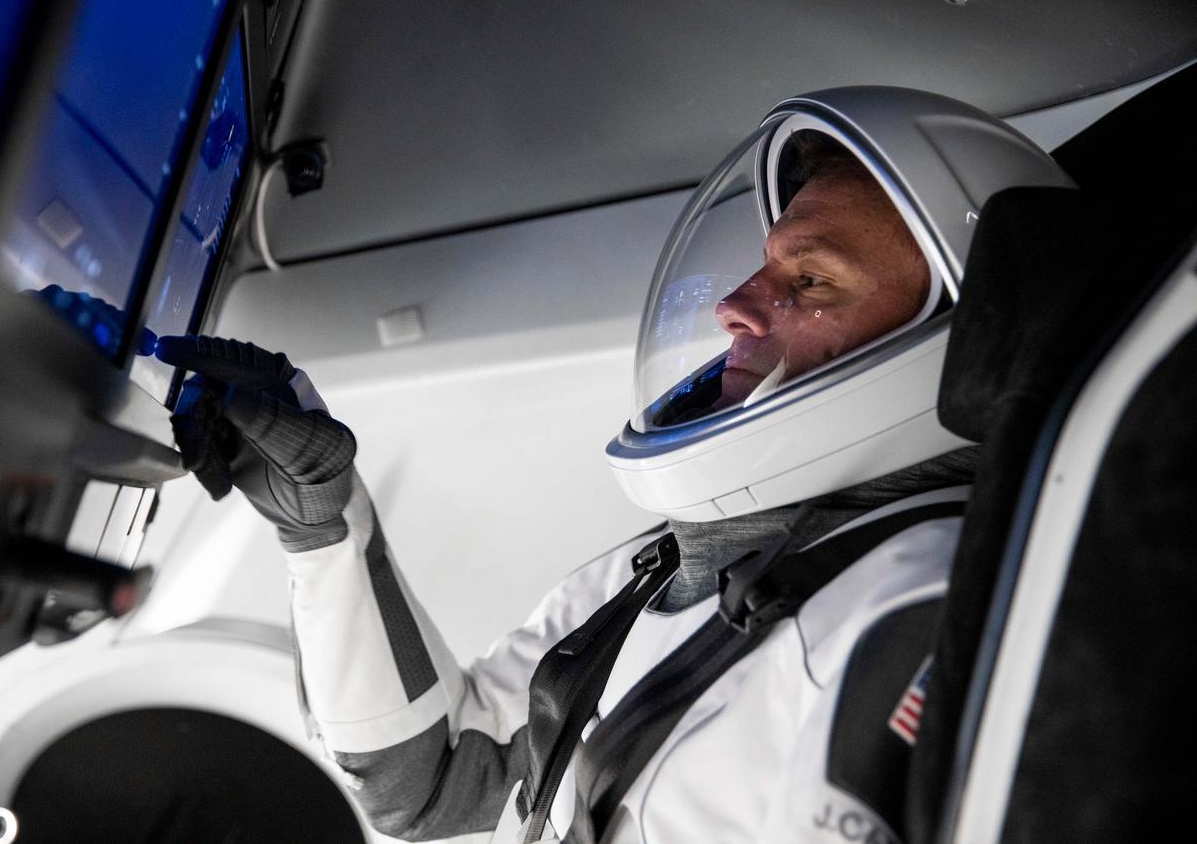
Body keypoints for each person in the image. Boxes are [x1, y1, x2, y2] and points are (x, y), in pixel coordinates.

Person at [155, 87, 1072, 843]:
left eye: (810, 282)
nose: (737, 307)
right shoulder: (674, 563)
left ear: (960, 345)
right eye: (764, 267)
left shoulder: (919, 613)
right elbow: (434, 784)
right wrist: (325, 527)